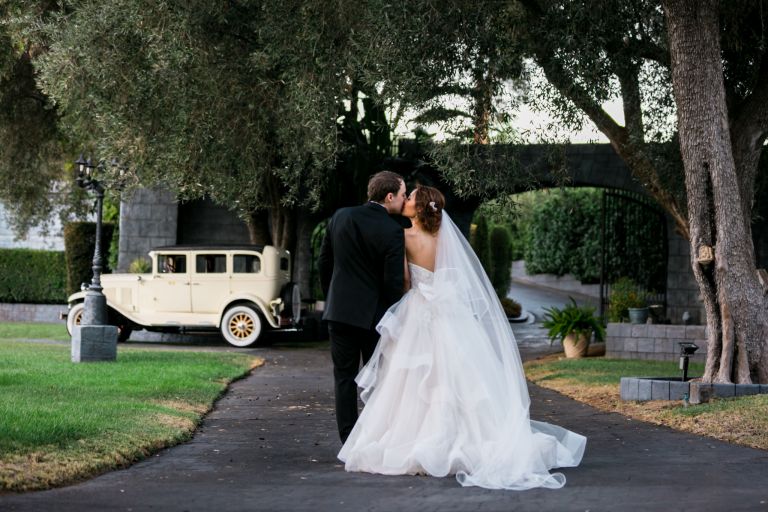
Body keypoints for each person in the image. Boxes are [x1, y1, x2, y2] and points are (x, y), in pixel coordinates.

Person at [337, 186, 586, 490]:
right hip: (450, 311)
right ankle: (467, 439)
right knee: (461, 376)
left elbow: (403, 280)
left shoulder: (403, 237)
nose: (407, 200)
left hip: (418, 310)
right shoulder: (447, 239)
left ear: (418, 207)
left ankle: (417, 441)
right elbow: (455, 277)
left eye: (411, 197)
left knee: (414, 379)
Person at [318, 170, 407, 443]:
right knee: (377, 379)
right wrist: (395, 315)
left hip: (339, 313)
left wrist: (332, 297)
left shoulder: (341, 216)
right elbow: (392, 283)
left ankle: (348, 440)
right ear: (389, 196)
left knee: (343, 378)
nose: (404, 200)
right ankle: (373, 438)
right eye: (403, 195)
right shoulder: (393, 230)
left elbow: (324, 263)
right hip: (373, 318)